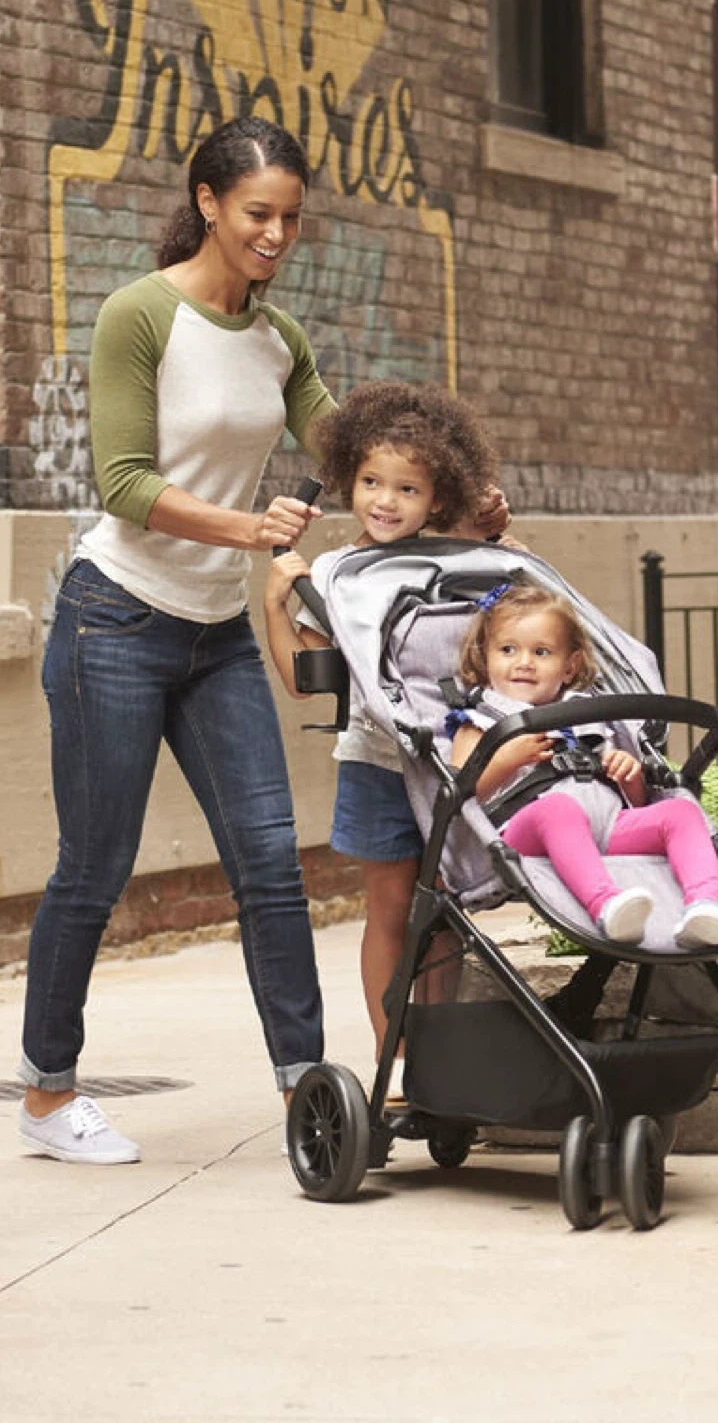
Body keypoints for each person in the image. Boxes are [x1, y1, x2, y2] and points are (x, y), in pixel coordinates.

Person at [18, 117, 336, 1165]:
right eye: (258, 214)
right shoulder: (140, 315)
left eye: (291, 217)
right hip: (113, 618)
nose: (276, 235)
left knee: (271, 864)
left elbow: (350, 441)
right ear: (208, 203)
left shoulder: (279, 339)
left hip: (215, 637)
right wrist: (251, 530)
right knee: (94, 869)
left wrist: (465, 491)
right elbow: (123, 483)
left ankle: (308, 1090)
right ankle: (49, 1096)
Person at [264, 379, 499, 1066]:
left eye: (407, 488)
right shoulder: (336, 573)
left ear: (438, 498)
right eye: (371, 482)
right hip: (376, 765)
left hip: (452, 763)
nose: (385, 501)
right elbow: (302, 680)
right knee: (392, 908)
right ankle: (391, 1059)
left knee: (447, 910)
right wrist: (275, 606)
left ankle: (441, 1062)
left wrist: (491, 533)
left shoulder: (456, 560)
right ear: (349, 479)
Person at [447, 583, 718, 947]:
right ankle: (607, 907)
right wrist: (505, 761)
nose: (524, 662)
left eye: (541, 652)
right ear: (485, 658)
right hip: (525, 834)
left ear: (569, 667)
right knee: (558, 809)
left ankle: (705, 907)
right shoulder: (479, 722)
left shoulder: (588, 714)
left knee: (680, 811)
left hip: (607, 826)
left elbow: (635, 802)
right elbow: (458, 794)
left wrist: (628, 776)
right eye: (508, 650)